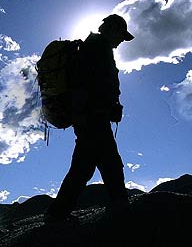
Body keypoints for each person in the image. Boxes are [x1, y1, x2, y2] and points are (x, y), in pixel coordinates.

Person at [45, 14, 135, 222]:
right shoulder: (97, 48)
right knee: (110, 163)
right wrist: (82, 114)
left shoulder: (96, 48)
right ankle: (120, 207)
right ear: (112, 28)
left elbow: (96, 85)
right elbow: (81, 84)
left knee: (82, 168)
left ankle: (57, 214)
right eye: (122, 35)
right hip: (91, 118)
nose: (122, 40)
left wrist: (110, 108)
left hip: (90, 117)